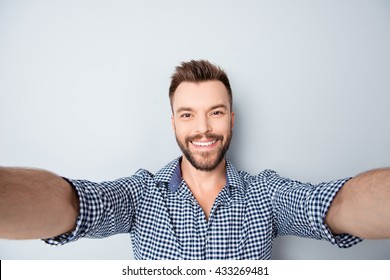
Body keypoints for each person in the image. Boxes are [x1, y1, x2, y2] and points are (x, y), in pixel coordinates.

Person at [0, 60, 389, 259]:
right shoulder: (139, 195)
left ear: (232, 119)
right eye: (188, 114)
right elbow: (72, 204)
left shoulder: (267, 194)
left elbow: (338, 204)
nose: (203, 129)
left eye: (216, 112)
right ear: (173, 123)